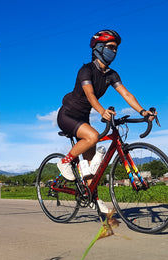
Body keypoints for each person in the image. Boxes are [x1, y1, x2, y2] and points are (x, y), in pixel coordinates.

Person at [56, 29, 155, 213]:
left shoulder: (111, 75)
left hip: (83, 118)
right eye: (111, 47)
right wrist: (102, 111)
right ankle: (64, 162)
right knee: (93, 136)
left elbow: (126, 93)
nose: (114, 52)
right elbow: (90, 94)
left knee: (92, 164)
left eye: (116, 49)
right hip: (68, 115)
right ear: (99, 48)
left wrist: (143, 111)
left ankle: (91, 197)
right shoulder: (86, 70)